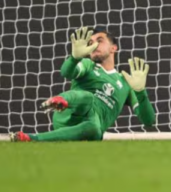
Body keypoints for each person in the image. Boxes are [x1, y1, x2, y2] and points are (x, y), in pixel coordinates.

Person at [11, 27, 155, 142]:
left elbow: (148, 121)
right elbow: (66, 72)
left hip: (89, 127)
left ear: (113, 48)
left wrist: (140, 91)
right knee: (88, 97)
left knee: (95, 129)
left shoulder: (126, 83)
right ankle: (62, 100)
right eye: (90, 43)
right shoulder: (88, 65)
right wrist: (74, 58)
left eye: (100, 41)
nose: (94, 45)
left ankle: (32, 138)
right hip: (68, 114)